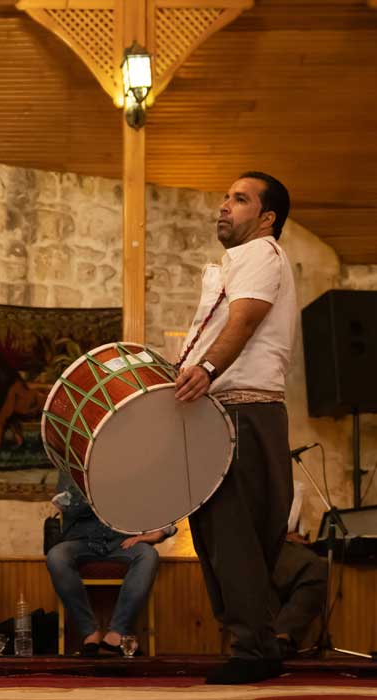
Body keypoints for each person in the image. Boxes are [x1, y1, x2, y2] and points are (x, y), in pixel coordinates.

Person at [175, 172, 297, 684]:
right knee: (218, 535)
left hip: (242, 411)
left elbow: (243, 321)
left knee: (232, 536)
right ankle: (257, 646)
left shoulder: (261, 253)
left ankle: (252, 651)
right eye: (226, 197)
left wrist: (204, 369)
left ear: (266, 218)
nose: (224, 205)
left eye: (239, 199)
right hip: (226, 412)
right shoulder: (241, 259)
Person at [46, 471, 173, 656]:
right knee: (56, 556)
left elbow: (160, 498)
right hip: (81, 541)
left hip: (122, 541)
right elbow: (68, 507)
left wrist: (161, 532)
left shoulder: (135, 466)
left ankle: (117, 634)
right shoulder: (70, 466)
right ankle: (90, 632)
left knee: (148, 555)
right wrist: (98, 491)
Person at [272, 481, 327, 657]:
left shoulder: (293, 486)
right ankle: (281, 636)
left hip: (280, 544)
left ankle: (280, 636)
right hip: (255, 547)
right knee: (313, 569)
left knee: (314, 565)